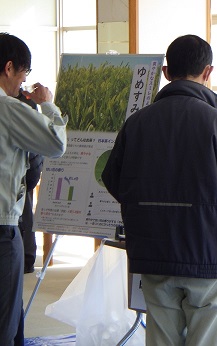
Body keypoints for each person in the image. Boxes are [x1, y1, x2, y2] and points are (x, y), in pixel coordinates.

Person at [102, 34, 217, 346]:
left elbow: (113, 179)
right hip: (208, 256)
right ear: (208, 72)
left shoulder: (136, 124)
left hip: (153, 252)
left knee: (161, 338)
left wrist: (145, 210)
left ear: (166, 72)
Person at [0, 32, 68, 345]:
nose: (23, 83)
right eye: (24, 74)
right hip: (2, 231)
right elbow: (55, 144)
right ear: (10, 68)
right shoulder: (9, 110)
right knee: (7, 320)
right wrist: (48, 106)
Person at [15, 89, 44, 274]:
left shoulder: (26, 102)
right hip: (24, 176)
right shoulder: (26, 103)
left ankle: (26, 258)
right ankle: (26, 259)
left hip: (22, 176)